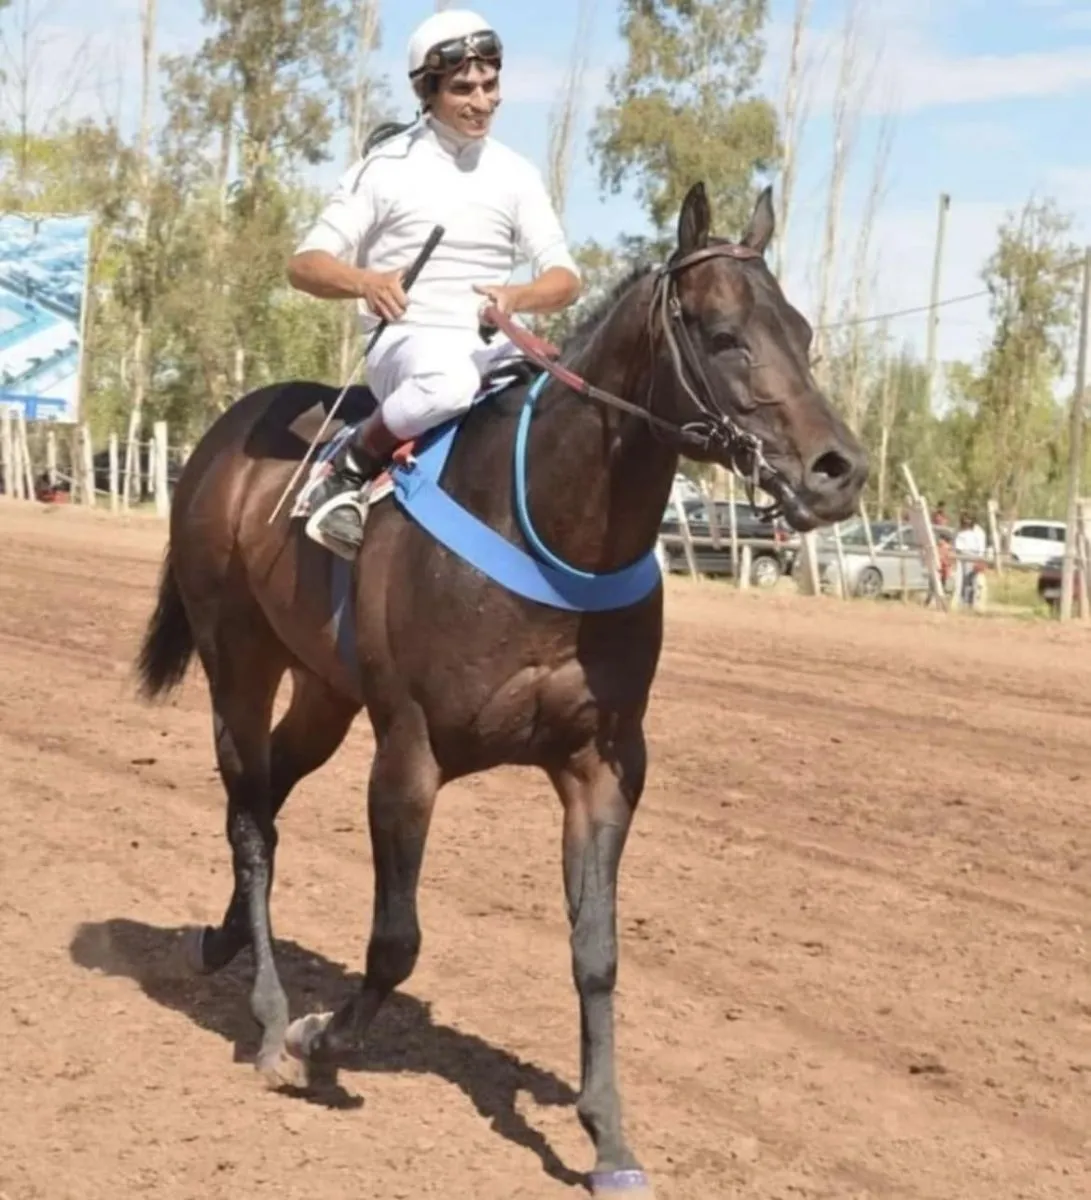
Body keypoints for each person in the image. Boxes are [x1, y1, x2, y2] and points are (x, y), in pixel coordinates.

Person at [286, 9, 582, 558]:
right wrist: (364, 282)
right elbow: (304, 263)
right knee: (447, 385)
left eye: (490, 84)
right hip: (407, 344)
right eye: (463, 88)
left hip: (491, 348)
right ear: (427, 90)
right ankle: (346, 470)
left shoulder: (516, 173)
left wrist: (519, 297)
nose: (483, 101)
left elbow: (566, 279)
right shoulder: (385, 167)